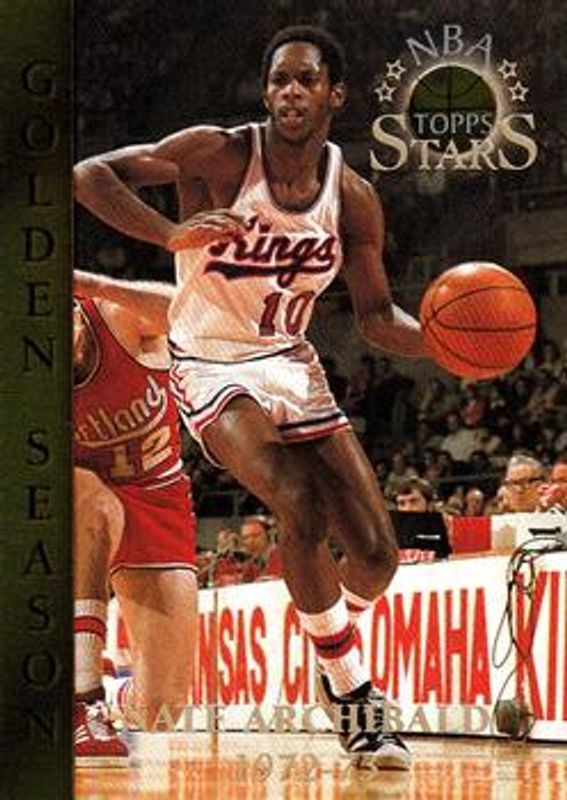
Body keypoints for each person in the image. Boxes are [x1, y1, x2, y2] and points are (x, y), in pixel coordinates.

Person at [74, 25, 429, 768]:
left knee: (376, 557)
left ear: (335, 94)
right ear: (266, 93)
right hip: (209, 360)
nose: (289, 92)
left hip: (290, 363)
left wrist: (440, 345)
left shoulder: (353, 197)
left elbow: (374, 317)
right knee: (299, 503)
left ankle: (328, 646)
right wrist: (170, 234)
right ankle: (355, 696)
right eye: (278, 81)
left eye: (305, 80)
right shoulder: (221, 153)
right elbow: (90, 175)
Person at [73, 270, 198, 762]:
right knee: (94, 501)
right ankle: (83, 697)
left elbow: (188, 310)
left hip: (156, 495)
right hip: (80, 495)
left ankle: (110, 691)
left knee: (162, 709)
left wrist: (97, 286)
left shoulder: (117, 317)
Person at [239, 515, 282, 581]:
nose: (250, 541)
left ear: (268, 535)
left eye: (255, 535)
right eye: (246, 538)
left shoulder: (283, 557)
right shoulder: (252, 563)